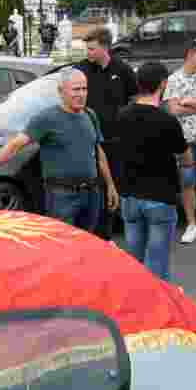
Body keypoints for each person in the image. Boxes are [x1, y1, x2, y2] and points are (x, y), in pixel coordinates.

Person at [0, 68, 120, 232]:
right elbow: (16, 144)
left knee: (87, 244)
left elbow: (98, 153)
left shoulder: (90, 115)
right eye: (76, 89)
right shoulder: (46, 118)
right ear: (61, 92)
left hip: (92, 194)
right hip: (62, 197)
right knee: (63, 245)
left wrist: (110, 186)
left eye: (84, 89)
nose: (81, 94)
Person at [114, 61, 188, 280]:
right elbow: (184, 155)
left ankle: (135, 306)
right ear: (163, 84)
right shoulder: (168, 120)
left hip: (130, 196)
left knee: (134, 261)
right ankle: (155, 308)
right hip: (160, 196)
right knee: (157, 264)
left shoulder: (122, 115)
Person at [74, 28, 137, 239]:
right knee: (94, 189)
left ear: (104, 47)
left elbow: (134, 99)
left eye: (92, 48)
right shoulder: (80, 70)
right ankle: (95, 234)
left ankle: (109, 235)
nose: (88, 52)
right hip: (88, 141)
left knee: (113, 188)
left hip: (116, 142)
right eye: (87, 48)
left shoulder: (123, 70)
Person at [162, 40, 196, 244]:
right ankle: (192, 224)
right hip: (184, 141)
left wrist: (187, 101)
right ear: (189, 55)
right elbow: (173, 110)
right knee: (188, 182)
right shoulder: (174, 79)